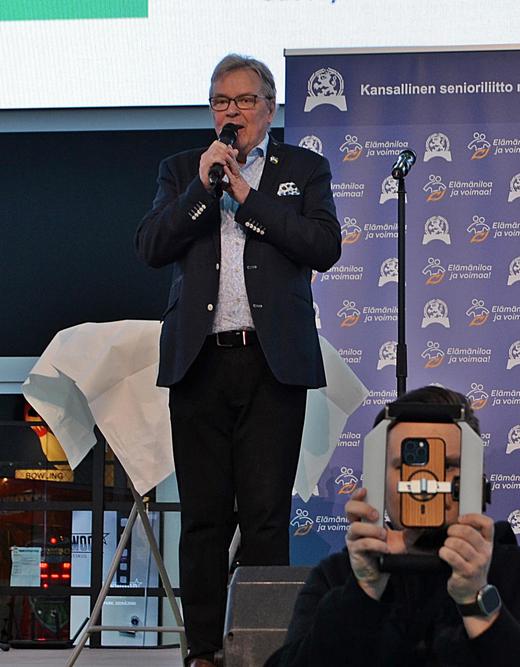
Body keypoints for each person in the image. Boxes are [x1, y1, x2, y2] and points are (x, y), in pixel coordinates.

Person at [135, 53, 341, 666]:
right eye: (222, 102)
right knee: (202, 519)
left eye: (245, 100)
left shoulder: (303, 170)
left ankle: (262, 649)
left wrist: (246, 197)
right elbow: (151, 246)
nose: (233, 112)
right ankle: (202, 651)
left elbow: (322, 245)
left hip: (271, 365)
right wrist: (203, 190)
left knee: (265, 517)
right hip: (199, 363)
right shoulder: (182, 170)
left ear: (269, 109)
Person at [266, 386, 520, 666]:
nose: (424, 482)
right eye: (408, 465)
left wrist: (479, 603)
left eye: (447, 465)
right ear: (379, 480)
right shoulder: (338, 578)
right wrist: (362, 594)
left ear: (476, 479)